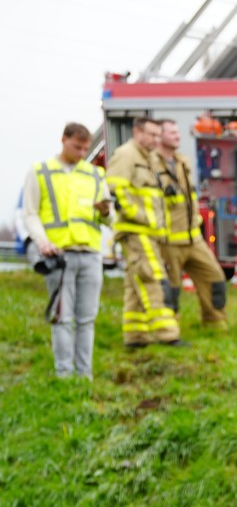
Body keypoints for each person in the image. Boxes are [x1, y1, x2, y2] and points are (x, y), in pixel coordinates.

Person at [21, 121, 110, 378]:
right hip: (58, 256)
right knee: (62, 318)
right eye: (77, 147)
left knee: (86, 319)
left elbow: (108, 219)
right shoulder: (40, 172)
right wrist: (42, 241)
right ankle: (64, 375)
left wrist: (106, 212)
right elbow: (30, 213)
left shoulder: (95, 175)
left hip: (91, 254)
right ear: (63, 140)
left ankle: (84, 376)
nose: (82, 153)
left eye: (85, 149)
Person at [104, 116, 183, 348]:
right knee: (153, 278)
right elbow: (115, 190)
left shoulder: (147, 157)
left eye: (158, 135)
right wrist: (139, 216)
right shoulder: (127, 155)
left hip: (148, 231)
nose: (155, 140)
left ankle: (135, 336)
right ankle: (167, 334)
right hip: (136, 230)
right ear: (137, 132)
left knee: (134, 282)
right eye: (151, 134)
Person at [156, 118, 228, 330]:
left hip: (192, 237)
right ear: (158, 137)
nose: (178, 136)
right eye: (171, 133)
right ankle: (168, 331)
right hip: (168, 240)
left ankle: (215, 323)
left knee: (215, 278)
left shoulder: (182, 161)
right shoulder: (152, 164)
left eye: (177, 132)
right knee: (171, 289)